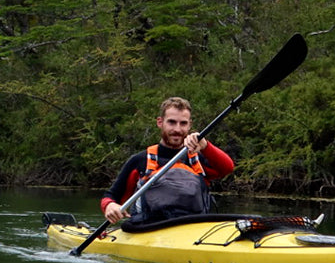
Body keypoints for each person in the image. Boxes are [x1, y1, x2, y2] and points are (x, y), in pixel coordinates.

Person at [101, 96, 235, 225]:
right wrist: (110, 205)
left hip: (194, 231)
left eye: (183, 123)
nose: (177, 129)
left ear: (189, 125)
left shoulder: (199, 158)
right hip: (149, 230)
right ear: (160, 122)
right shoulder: (140, 160)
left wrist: (205, 146)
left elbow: (227, 168)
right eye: (171, 122)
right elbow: (111, 196)